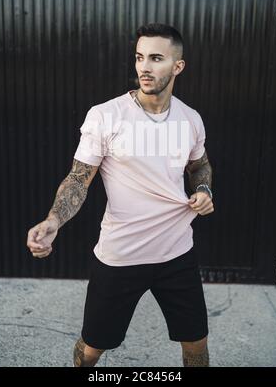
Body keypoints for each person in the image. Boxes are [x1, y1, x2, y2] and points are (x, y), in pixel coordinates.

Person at [27, 23, 214, 367]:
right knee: (93, 347)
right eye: (140, 57)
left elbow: (200, 166)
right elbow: (78, 179)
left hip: (177, 253)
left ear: (178, 66)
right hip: (120, 256)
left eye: (156, 58)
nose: (144, 67)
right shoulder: (106, 116)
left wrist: (203, 188)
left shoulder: (190, 119)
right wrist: (54, 219)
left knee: (197, 343)